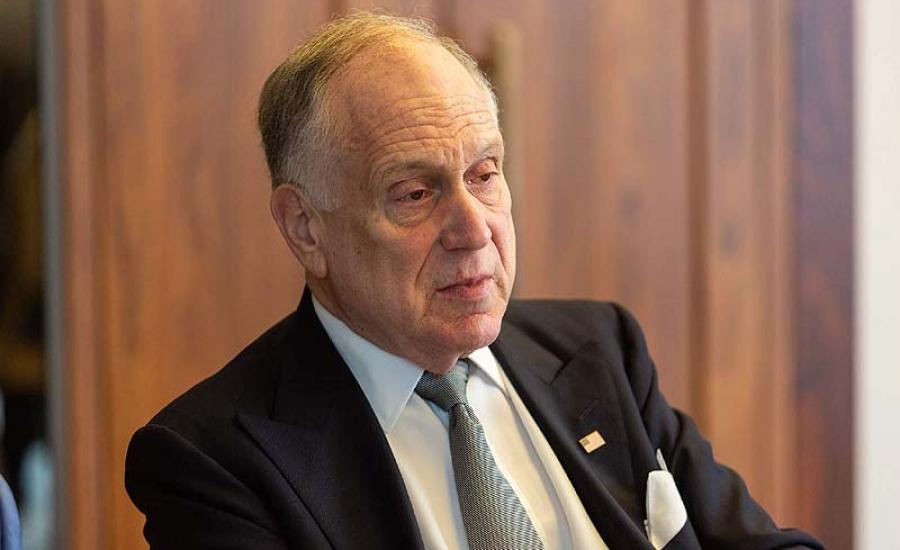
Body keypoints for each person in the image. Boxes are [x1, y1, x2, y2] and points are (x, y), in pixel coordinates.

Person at [125, 13, 823, 550]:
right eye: (414, 193)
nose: (473, 228)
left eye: (484, 174)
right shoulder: (214, 462)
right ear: (305, 227)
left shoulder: (600, 349)